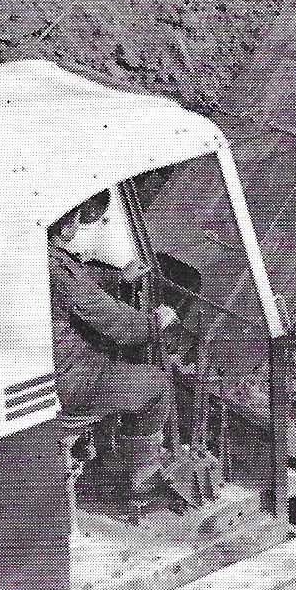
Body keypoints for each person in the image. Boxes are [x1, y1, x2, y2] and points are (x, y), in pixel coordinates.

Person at [47, 191, 179, 501]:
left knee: (121, 370)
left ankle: (108, 455)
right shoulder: (56, 267)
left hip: (59, 369)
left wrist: (119, 280)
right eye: (78, 216)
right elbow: (117, 324)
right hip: (72, 380)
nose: (80, 224)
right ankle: (138, 478)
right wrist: (156, 322)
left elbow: (81, 285)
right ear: (64, 221)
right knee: (157, 386)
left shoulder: (40, 256)